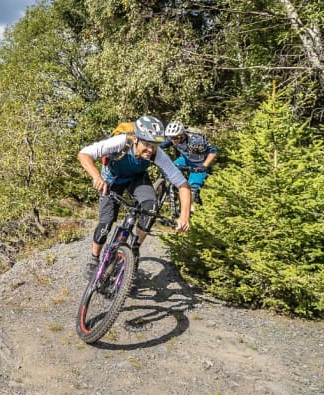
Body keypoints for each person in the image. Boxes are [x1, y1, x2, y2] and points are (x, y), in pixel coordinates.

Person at [78, 115, 192, 279]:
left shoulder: (156, 153)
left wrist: (184, 216)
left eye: (154, 145)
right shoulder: (122, 142)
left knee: (151, 206)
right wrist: (97, 177)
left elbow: (182, 184)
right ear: (137, 138)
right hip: (112, 179)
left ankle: (134, 249)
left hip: (137, 178)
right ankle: (94, 258)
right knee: (106, 223)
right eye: (147, 144)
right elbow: (84, 154)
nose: (151, 150)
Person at [163, 120, 219, 208]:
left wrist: (205, 165)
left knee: (193, 186)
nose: (173, 140)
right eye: (171, 138)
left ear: (182, 135)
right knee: (169, 169)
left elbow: (214, 150)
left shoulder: (196, 140)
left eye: (176, 138)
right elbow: (159, 145)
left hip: (199, 164)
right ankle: (169, 195)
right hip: (186, 159)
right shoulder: (172, 138)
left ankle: (188, 209)